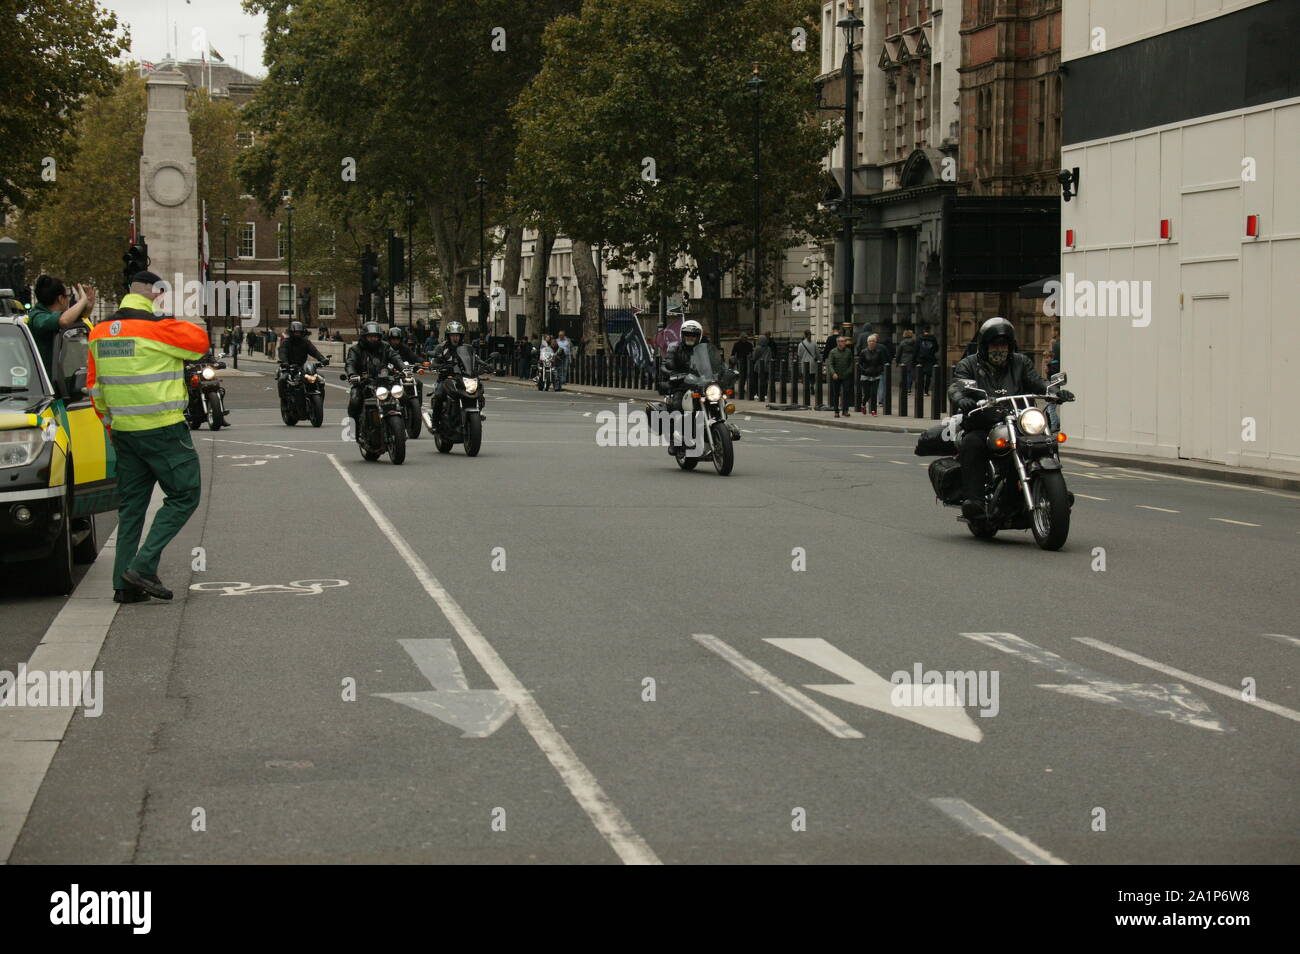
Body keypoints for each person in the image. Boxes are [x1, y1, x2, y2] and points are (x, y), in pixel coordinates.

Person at [87, 271, 208, 603]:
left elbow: (94, 387)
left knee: (132, 508)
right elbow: (200, 342)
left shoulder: (98, 333)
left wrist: (112, 426)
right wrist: (163, 315)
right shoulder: (159, 329)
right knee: (185, 495)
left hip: (124, 433)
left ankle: (124, 586)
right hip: (164, 429)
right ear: (156, 295)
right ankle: (142, 566)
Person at [948, 316, 1073, 520]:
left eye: (1004, 344)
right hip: (984, 422)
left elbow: (1036, 381)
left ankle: (1055, 491)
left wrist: (1056, 392)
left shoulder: (1020, 362)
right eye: (995, 344)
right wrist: (962, 399)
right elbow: (957, 385)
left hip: (1018, 421)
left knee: (1047, 440)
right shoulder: (969, 364)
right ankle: (975, 500)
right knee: (972, 443)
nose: (1000, 349)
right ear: (984, 345)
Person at [28, 275, 96, 375]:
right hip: (43, 380)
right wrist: (82, 300)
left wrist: (88, 305)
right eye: (68, 295)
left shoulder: (49, 314)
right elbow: (64, 320)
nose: (69, 299)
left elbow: (78, 317)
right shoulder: (38, 316)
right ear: (60, 299)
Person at [345, 321, 403, 427]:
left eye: (375, 336)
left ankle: (404, 422)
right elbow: (350, 363)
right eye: (370, 337)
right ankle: (357, 425)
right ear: (364, 337)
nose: (373, 339)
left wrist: (404, 368)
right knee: (355, 400)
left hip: (383, 380)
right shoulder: (355, 349)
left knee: (402, 395)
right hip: (363, 382)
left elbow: (395, 357)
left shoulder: (385, 347)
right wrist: (352, 374)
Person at [660, 319, 705, 448]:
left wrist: (725, 372)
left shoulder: (703, 349)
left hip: (700, 385)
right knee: (678, 406)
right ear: (682, 335)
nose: (690, 337)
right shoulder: (675, 348)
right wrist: (671, 373)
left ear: (699, 336)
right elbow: (665, 364)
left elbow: (715, 365)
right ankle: (675, 439)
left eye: (694, 335)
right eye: (687, 335)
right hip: (681, 385)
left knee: (718, 400)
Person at [428, 320, 474, 423]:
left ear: (461, 336)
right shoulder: (442, 348)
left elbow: (474, 359)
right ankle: (435, 422)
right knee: (439, 395)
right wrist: (437, 366)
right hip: (445, 378)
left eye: (457, 335)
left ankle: (475, 412)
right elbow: (434, 362)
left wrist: (485, 365)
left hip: (462, 378)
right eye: (453, 335)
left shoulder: (466, 348)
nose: (455, 338)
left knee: (476, 390)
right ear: (448, 336)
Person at [277, 320, 328, 403]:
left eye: (299, 332)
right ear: (291, 332)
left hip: (302, 366)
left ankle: (319, 399)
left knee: (320, 379)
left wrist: (322, 359)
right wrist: (285, 362)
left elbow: (314, 351)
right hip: (289, 367)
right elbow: (282, 352)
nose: (297, 334)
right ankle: (285, 400)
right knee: (282, 379)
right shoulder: (286, 342)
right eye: (295, 332)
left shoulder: (305, 342)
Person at [857, 333, 888, 415]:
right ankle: (863, 404)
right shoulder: (863, 352)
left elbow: (882, 363)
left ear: (876, 342)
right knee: (867, 394)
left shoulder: (879, 352)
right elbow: (859, 364)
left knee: (874, 393)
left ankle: (874, 411)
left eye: (873, 341)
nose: (871, 343)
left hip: (876, 375)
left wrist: (878, 370)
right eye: (870, 341)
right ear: (867, 342)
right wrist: (864, 370)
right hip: (865, 376)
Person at [826, 336, 853, 417]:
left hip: (846, 376)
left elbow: (851, 363)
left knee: (846, 393)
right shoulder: (833, 352)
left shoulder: (848, 351)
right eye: (841, 341)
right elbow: (830, 364)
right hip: (836, 376)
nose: (843, 343)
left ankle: (845, 410)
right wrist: (833, 373)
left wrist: (848, 372)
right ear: (838, 343)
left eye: (844, 341)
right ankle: (836, 411)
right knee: (836, 394)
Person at [915, 325, 939, 395]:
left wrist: (914, 359)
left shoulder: (919, 338)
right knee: (928, 376)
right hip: (930, 359)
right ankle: (926, 391)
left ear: (923, 331)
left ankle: (920, 390)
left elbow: (916, 349)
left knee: (921, 375)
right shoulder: (933, 338)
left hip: (921, 359)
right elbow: (936, 348)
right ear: (929, 331)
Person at [795, 329, 819, 400]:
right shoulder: (814, 343)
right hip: (812, 363)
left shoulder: (801, 344)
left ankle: (807, 388)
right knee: (812, 377)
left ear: (804, 335)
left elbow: (799, 354)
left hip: (805, 362)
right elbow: (817, 353)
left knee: (806, 376)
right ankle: (812, 385)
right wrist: (820, 359)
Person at [895, 329, 917, 395]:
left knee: (905, 375)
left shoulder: (902, 342)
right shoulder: (914, 342)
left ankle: (905, 388)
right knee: (910, 374)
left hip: (904, 360)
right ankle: (909, 388)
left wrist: (897, 361)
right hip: (912, 360)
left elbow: (898, 353)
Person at [751, 333, 773, 401]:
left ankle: (757, 393)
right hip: (766, 367)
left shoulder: (757, 348)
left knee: (757, 380)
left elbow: (754, 357)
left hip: (758, 367)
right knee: (765, 381)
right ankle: (765, 394)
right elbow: (770, 357)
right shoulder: (768, 348)